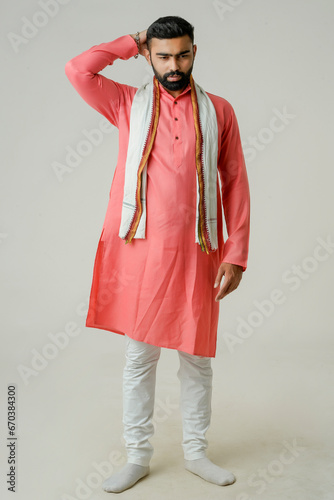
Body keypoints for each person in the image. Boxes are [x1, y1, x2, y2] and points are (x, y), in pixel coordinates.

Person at [65, 15, 250, 493]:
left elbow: (235, 184)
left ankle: (195, 453)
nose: (174, 65)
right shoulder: (127, 103)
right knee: (139, 356)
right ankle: (138, 455)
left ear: (195, 51)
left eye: (183, 54)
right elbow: (79, 70)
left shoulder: (220, 111)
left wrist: (237, 252)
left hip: (199, 249)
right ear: (149, 55)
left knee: (197, 359)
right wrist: (129, 42)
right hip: (141, 250)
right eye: (164, 55)